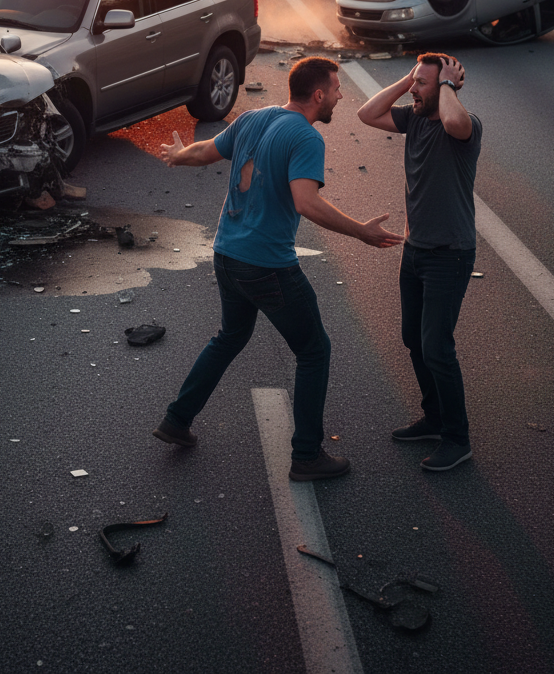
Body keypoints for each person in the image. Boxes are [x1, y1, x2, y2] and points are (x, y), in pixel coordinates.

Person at [153, 57, 403, 481]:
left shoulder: (254, 118)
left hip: (226, 254)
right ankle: (306, 455)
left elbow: (206, 152)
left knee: (229, 336)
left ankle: (177, 420)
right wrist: (360, 232)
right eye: (337, 89)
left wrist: (178, 156)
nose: (341, 96)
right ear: (318, 94)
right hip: (266, 265)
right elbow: (306, 202)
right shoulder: (306, 138)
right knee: (314, 350)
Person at [357, 53, 482, 472]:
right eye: (416, 83)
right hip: (415, 251)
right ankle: (434, 417)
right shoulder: (413, 119)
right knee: (414, 338)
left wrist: (445, 86)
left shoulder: (465, 126)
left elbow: (454, 123)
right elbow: (366, 113)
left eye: (422, 85)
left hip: (450, 253)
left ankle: (457, 437)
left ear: (447, 88)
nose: (415, 91)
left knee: (437, 347)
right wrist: (409, 78)